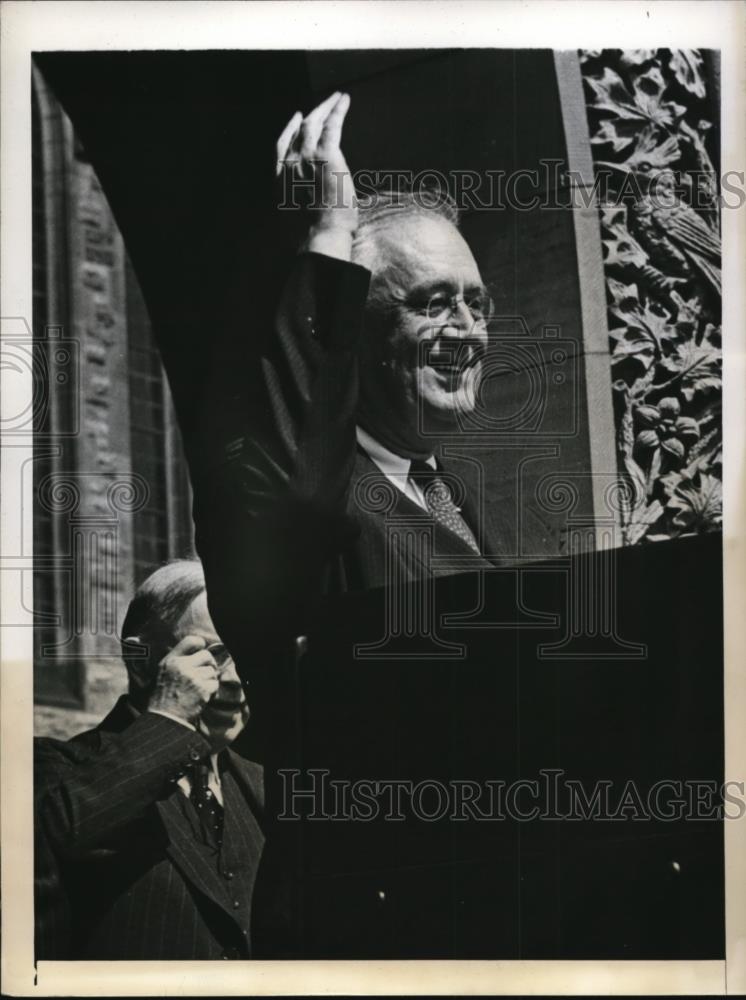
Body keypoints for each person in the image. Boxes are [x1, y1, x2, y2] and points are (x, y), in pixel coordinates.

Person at [196, 91, 503, 660]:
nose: (468, 329)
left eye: (477, 305)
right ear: (351, 335)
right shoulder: (295, 489)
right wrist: (333, 228)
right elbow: (304, 483)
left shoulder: (454, 498)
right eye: (434, 304)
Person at [34, 560, 264, 960]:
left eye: (247, 653)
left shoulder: (262, 786)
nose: (233, 680)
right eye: (213, 655)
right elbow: (65, 836)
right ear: (141, 662)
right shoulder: (57, 767)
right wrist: (170, 717)